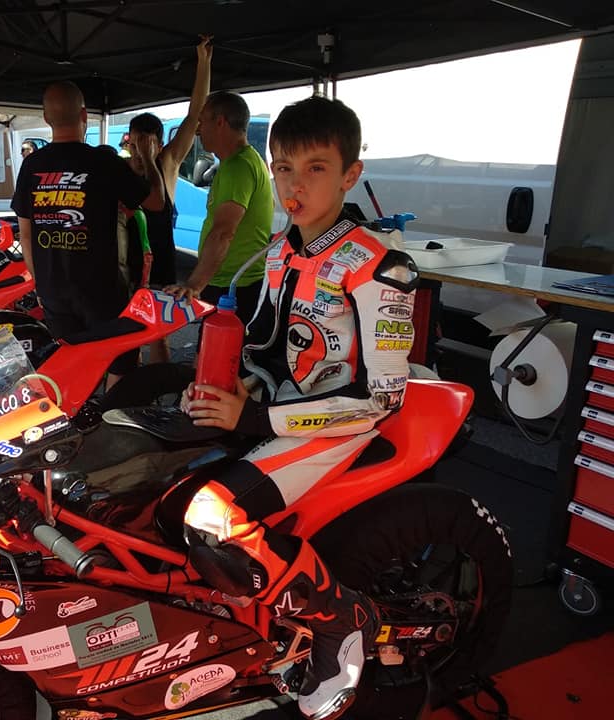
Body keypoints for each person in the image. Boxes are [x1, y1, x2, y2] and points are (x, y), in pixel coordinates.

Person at [180, 96, 418, 720]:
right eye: (283, 168)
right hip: (282, 413)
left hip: (343, 426)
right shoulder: (281, 252)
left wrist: (256, 418)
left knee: (212, 518)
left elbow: (382, 399)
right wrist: (226, 389)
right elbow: (265, 350)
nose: (294, 186)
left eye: (315, 169)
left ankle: (344, 621)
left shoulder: (382, 266)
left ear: (350, 175)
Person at [12, 80, 165, 389]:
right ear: (84, 116)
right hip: (101, 289)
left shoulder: (32, 165)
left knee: (72, 361)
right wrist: (149, 158)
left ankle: (75, 412)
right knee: (119, 359)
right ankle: (109, 414)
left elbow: (25, 235)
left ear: (46, 118)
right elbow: (156, 202)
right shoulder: (103, 161)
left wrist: (41, 282)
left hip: (53, 288)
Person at [126, 35, 212, 362]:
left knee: (157, 336)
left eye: (145, 144)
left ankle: (158, 387)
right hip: (127, 266)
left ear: (158, 144)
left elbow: (195, 114)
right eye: (134, 144)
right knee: (127, 336)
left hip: (160, 266)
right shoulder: (123, 171)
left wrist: (203, 63)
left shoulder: (167, 164)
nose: (138, 151)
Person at [165, 91, 274, 326]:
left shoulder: (238, 166)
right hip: (235, 283)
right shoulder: (243, 161)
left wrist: (194, 285)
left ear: (220, 122)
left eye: (202, 122)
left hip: (233, 287)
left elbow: (224, 231)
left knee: (218, 347)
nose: (197, 130)